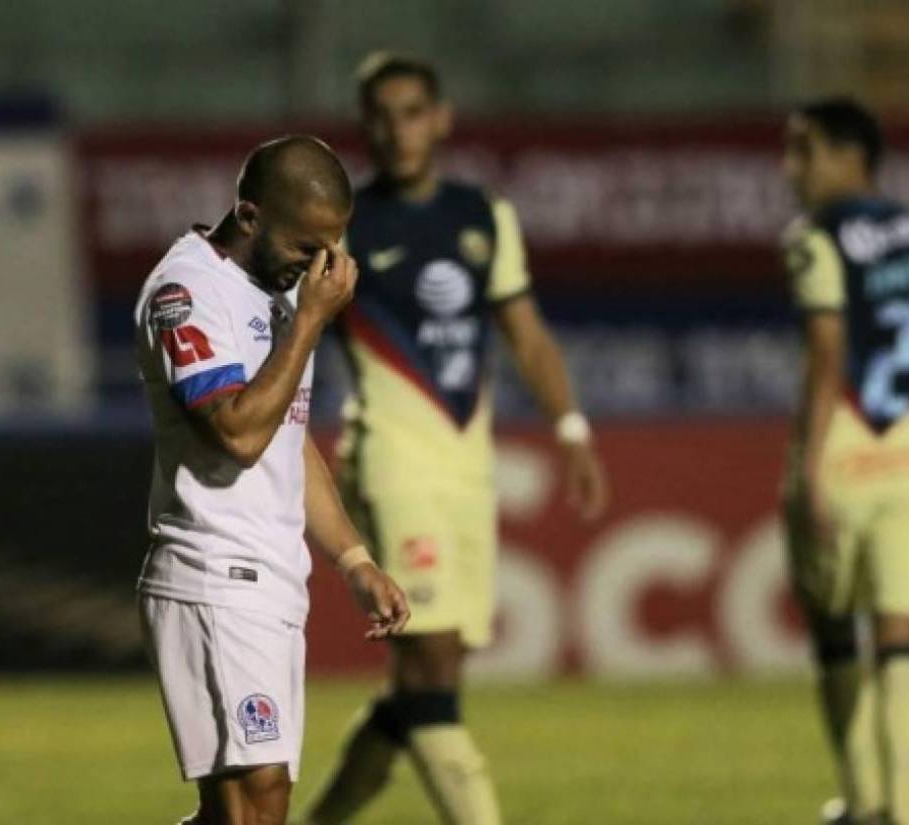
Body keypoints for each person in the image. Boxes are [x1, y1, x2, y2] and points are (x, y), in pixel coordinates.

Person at [297, 54, 609, 825]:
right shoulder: (344, 225)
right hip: (394, 460)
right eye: (382, 116)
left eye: (412, 112)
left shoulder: (482, 214)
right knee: (430, 659)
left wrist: (571, 428)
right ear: (364, 126)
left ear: (441, 119)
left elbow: (525, 332)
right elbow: (297, 329)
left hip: (468, 465)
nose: (398, 130)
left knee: (429, 677)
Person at [133, 135, 410, 825]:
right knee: (260, 805)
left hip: (269, 580)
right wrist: (310, 322)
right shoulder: (186, 291)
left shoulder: (278, 295)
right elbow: (237, 431)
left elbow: (287, 440)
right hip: (214, 573)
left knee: (240, 813)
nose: (318, 266)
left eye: (332, 246)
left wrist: (354, 559)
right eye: (305, 245)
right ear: (250, 215)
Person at [779, 98, 909, 825]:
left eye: (803, 151)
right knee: (902, 643)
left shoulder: (813, 237)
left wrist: (808, 467)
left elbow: (827, 352)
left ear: (848, 155)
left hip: (844, 453)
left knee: (835, 634)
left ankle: (865, 803)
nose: (790, 169)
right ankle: (907, 810)